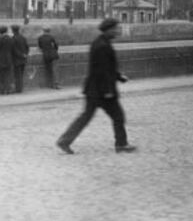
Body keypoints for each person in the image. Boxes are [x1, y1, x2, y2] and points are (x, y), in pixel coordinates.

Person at [56, 18, 136, 154]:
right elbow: (102, 71)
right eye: (116, 28)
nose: (118, 30)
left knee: (85, 117)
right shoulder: (103, 46)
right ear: (109, 29)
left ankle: (64, 141)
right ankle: (121, 145)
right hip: (102, 92)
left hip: (94, 90)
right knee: (118, 116)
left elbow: (106, 68)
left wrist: (119, 77)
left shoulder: (100, 43)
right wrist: (108, 91)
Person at [0, 25, 13, 94]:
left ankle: (3, 90)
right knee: (8, 75)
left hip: (1, 59)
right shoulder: (10, 38)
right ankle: (8, 89)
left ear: (0, 32)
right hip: (9, 58)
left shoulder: (0, 39)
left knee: (1, 75)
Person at [11, 24, 29, 93]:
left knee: (17, 75)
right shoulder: (23, 37)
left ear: (13, 30)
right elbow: (27, 47)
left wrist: (22, 55)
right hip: (23, 60)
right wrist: (25, 55)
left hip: (17, 60)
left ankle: (18, 89)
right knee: (21, 74)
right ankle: (20, 88)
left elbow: (14, 50)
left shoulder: (13, 38)